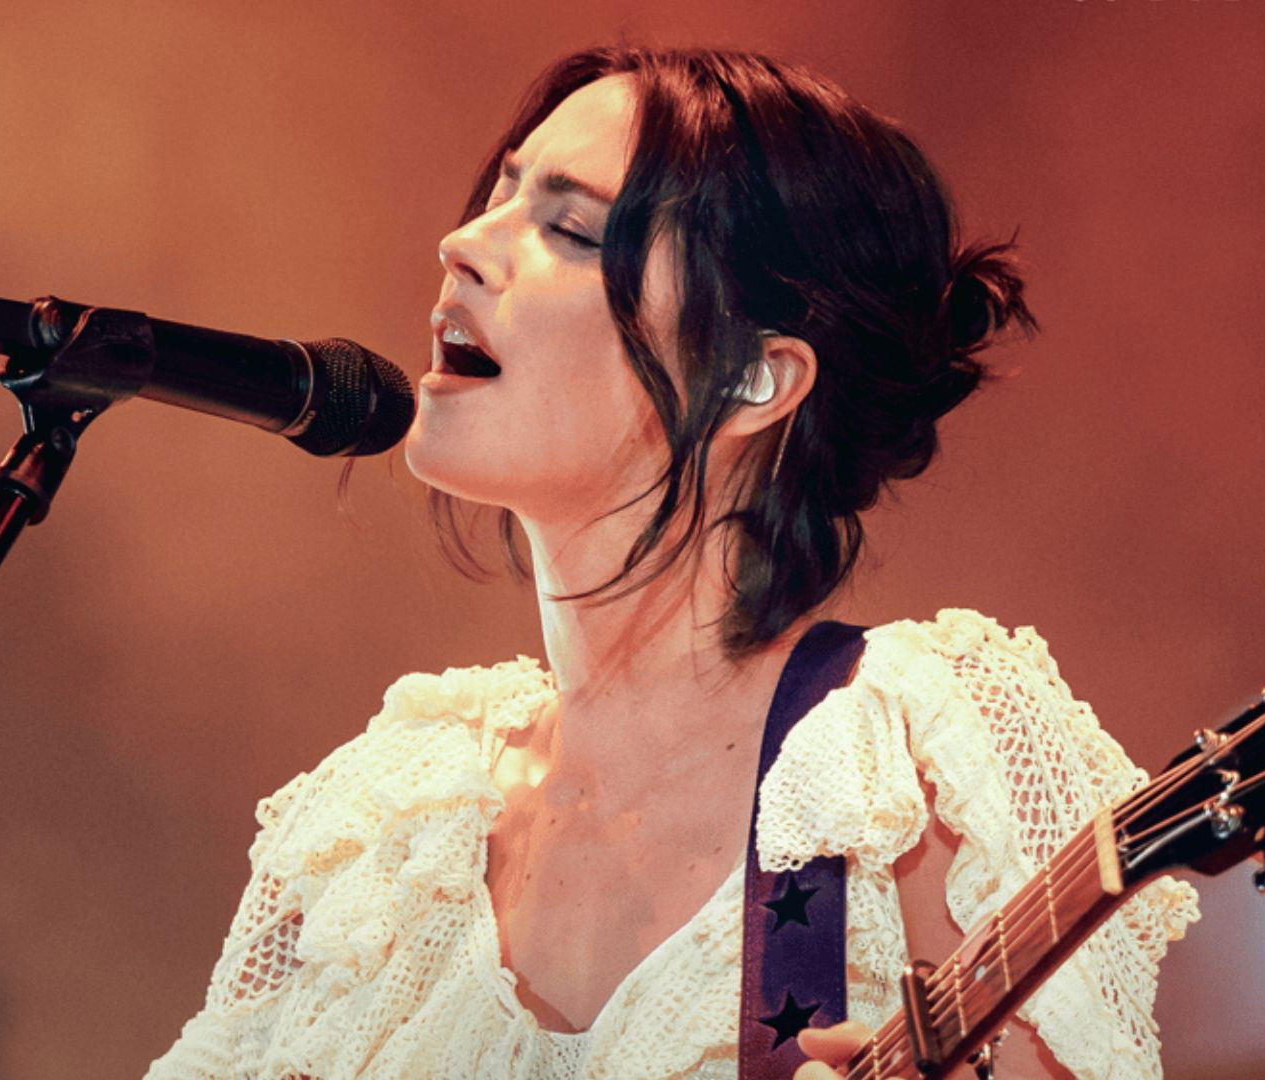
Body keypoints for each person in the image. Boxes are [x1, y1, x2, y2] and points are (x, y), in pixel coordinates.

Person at [145, 43, 1200, 1080]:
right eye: (500, 195)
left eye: (570, 229)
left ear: (751, 377)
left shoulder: (913, 765)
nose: (460, 242)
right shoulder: (382, 830)